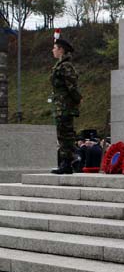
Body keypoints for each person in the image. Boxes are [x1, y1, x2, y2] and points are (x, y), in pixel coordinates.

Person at [50, 36, 82, 174]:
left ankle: (70, 160)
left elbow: (72, 86)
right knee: (63, 134)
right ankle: (67, 162)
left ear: (61, 50)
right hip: (61, 106)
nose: (53, 50)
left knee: (66, 134)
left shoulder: (66, 66)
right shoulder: (60, 65)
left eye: (55, 48)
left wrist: (77, 99)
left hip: (65, 106)